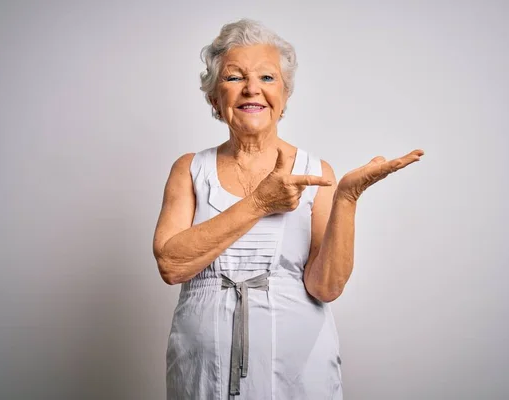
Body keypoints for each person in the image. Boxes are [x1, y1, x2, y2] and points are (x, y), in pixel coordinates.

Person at [152, 18, 424, 399]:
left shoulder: (316, 172)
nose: (252, 89)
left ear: (284, 95)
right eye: (234, 78)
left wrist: (346, 197)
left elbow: (325, 287)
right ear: (215, 97)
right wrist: (260, 202)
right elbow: (171, 264)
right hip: (201, 369)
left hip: (299, 371)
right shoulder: (189, 169)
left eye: (267, 77)